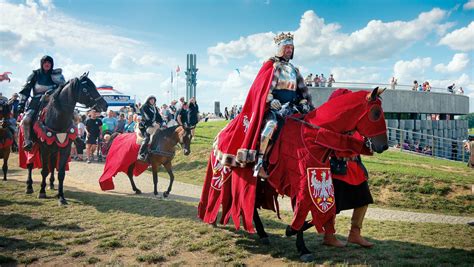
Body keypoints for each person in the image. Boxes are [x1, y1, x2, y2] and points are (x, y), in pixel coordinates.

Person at [17, 55, 65, 151]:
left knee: (70, 117)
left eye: (49, 62)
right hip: (36, 102)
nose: (47, 64)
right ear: (42, 63)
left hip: (53, 102)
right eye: (45, 62)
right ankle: (28, 142)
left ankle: (73, 139)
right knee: (26, 120)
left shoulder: (57, 75)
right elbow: (26, 89)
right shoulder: (35, 74)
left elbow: (63, 89)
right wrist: (21, 103)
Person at [138, 95, 163, 162]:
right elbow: (146, 117)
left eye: (153, 100)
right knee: (147, 137)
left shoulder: (154, 108)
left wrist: (161, 123)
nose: (152, 101)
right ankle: (141, 153)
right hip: (145, 125)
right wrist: (152, 123)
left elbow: (159, 117)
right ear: (148, 100)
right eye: (151, 99)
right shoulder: (144, 107)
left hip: (154, 125)